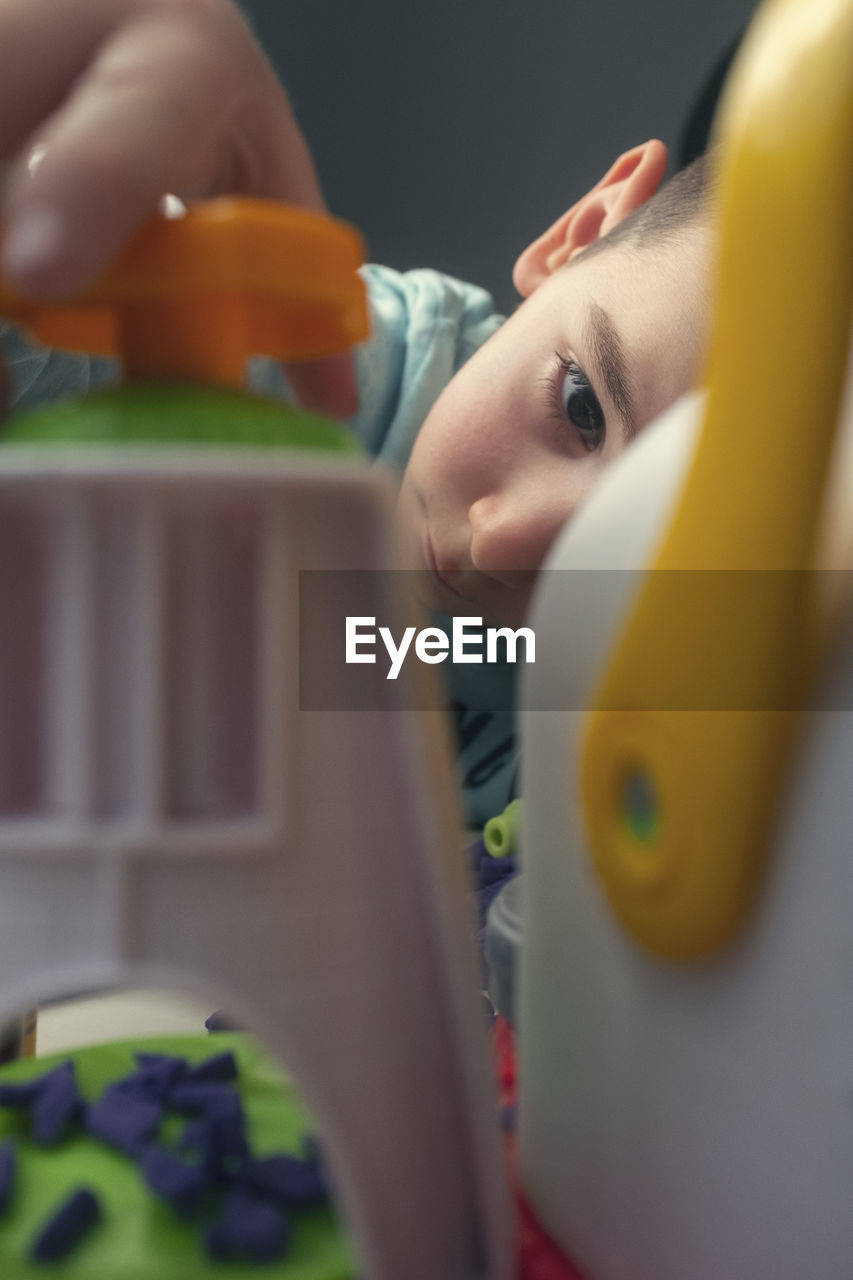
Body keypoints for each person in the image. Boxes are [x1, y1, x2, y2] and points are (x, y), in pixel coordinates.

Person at [0, 0, 716, 828]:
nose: (504, 540)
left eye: (663, 546)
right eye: (581, 405)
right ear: (580, 233)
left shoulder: (698, 738)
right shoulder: (267, 355)